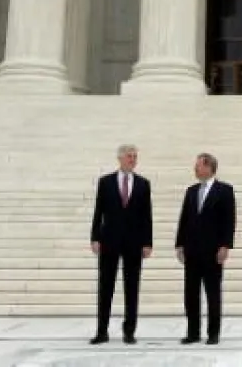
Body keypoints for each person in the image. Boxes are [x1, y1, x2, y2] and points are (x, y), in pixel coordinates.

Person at [89, 144, 152, 345]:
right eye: (129, 156)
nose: (133, 159)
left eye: (135, 156)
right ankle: (101, 331)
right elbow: (98, 212)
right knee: (105, 286)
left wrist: (147, 242)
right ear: (120, 158)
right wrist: (95, 237)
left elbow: (146, 216)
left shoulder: (143, 184)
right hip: (109, 241)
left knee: (132, 288)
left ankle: (129, 331)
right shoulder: (105, 182)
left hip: (134, 242)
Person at [175, 152, 236, 345]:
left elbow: (229, 221)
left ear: (209, 167)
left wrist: (225, 245)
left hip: (212, 252)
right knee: (190, 294)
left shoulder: (225, 190)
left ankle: (213, 333)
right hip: (192, 251)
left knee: (212, 294)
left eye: (198, 166)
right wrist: (180, 244)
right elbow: (184, 219)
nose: (195, 169)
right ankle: (193, 333)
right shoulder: (191, 191)